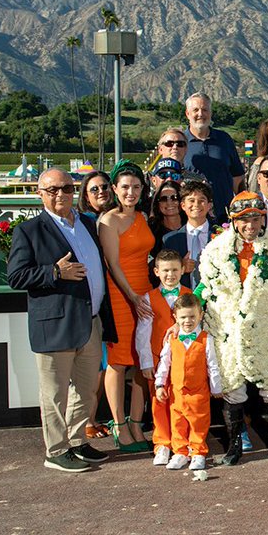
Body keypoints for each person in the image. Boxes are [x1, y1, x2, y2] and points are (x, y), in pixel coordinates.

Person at [6, 168, 116, 472]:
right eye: (52, 189)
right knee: (54, 393)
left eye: (66, 189)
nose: (60, 195)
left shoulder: (87, 224)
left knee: (84, 389)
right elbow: (15, 276)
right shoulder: (29, 231)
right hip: (55, 324)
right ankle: (56, 450)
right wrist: (54, 272)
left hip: (90, 321)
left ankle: (78, 441)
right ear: (40, 193)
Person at [197, 192, 268, 466]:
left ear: (262, 219)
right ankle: (234, 446)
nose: (250, 225)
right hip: (228, 330)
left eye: (255, 218)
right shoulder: (216, 251)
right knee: (233, 390)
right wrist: (189, 306)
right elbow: (206, 287)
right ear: (233, 221)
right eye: (243, 219)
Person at [97, 162, 155, 452]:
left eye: (135, 187)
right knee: (119, 362)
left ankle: (136, 422)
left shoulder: (144, 216)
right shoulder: (108, 220)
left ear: (142, 189)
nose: (130, 192)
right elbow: (112, 264)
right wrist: (132, 296)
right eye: (124, 187)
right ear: (115, 190)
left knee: (143, 359)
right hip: (121, 295)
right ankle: (118, 425)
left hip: (144, 293)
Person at [152, 291, 222, 471]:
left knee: (198, 422)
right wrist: (159, 384)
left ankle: (198, 452)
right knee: (178, 422)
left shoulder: (207, 339)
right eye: (183, 317)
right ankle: (180, 453)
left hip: (199, 392)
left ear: (200, 315)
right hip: (176, 392)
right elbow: (164, 363)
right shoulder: (172, 338)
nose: (188, 321)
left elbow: (212, 365)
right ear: (175, 317)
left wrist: (216, 388)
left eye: (192, 316)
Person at [136, 249, 189, 467]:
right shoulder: (148, 298)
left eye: (175, 269)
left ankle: (181, 445)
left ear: (183, 270)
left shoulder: (190, 294)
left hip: (184, 361)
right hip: (158, 360)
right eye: (166, 270)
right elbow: (142, 333)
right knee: (159, 403)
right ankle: (162, 444)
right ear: (157, 271)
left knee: (181, 403)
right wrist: (146, 362)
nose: (170, 275)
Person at [74, 169, 114, 438]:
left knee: (109, 363)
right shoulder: (83, 222)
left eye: (104, 187)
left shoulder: (112, 218)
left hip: (114, 298)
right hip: (94, 302)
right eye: (94, 189)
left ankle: (95, 418)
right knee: (95, 367)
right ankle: (87, 420)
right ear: (85, 196)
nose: (101, 192)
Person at [183, 93, 244, 221]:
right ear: (187, 114)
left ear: (210, 113)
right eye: (195, 110)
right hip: (192, 216)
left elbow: (237, 177)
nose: (200, 114)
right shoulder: (180, 143)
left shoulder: (224, 139)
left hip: (225, 215)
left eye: (205, 110)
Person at [162, 179, 215, 290]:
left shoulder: (220, 236)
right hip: (184, 301)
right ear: (183, 205)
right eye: (191, 200)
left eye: (202, 200)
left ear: (209, 205)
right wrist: (180, 268)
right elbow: (163, 273)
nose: (196, 205)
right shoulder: (170, 240)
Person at [148, 180, 183, 261]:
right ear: (157, 203)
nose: (169, 202)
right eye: (163, 199)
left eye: (175, 198)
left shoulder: (192, 227)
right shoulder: (150, 231)